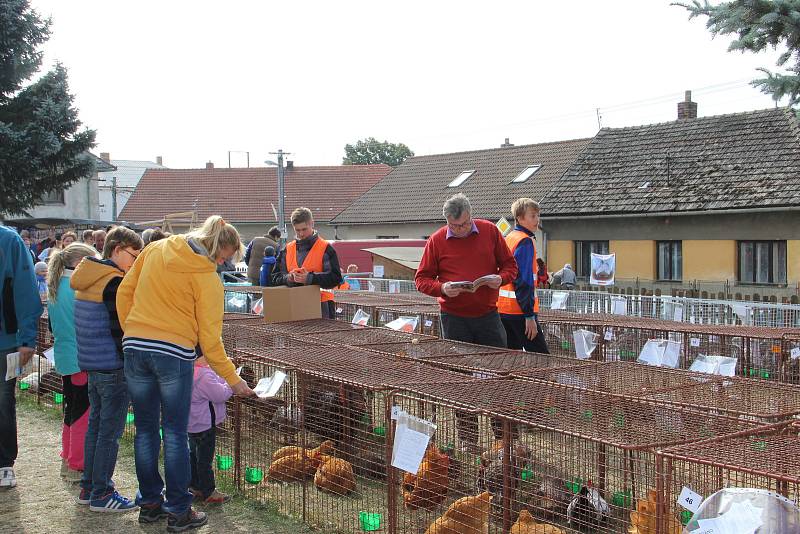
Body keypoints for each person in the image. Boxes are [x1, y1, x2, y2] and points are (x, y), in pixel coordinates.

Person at [117, 215, 255, 532]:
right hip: (173, 353)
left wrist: (132, 331)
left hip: (135, 348)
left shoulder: (155, 249)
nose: (223, 264)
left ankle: (150, 503)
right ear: (218, 250)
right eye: (224, 258)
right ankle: (179, 510)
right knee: (176, 433)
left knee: (147, 431)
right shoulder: (207, 279)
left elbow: (125, 292)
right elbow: (210, 340)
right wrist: (234, 381)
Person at [72, 226, 143, 512]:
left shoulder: (88, 277)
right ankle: (102, 492)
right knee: (109, 433)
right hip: (113, 365)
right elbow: (121, 328)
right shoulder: (114, 282)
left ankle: (89, 486)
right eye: (133, 255)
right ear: (117, 249)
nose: (134, 263)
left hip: (92, 363)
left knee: (96, 427)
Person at [415, 193, 518, 347]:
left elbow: (511, 266)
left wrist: (501, 278)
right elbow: (421, 280)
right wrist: (442, 288)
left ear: (471, 216)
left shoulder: (490, 231)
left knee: (497, 363)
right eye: (454, 226)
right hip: (453, 318)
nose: (461, 229)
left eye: (465, 224)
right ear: (447, 221)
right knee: (459, 367)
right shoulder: (436, 240)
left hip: (488, 315)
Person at [46, 243, 98, 482]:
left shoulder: (57, 287)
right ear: (80, 264)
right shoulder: (77, 290)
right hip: (82, 358)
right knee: (82, 412)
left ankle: (68, 454)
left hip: (65, 357)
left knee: (71, 408)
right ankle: (78, 462)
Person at [0, 226, 43, 489]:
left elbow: (25, 289)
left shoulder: (9, 240)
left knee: (3, 401)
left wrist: (27, 339)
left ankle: (4, 462)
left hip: (5, 340)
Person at [498, 198, 550, 354]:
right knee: (540, 357)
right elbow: (523, 280)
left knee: (511, 357)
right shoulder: (525, 242)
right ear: (520, 218)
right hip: (520, 311)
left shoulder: (509, 238)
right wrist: (529, 316)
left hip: (503, 310)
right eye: (532, 216)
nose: (537, 220)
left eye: (537, 215)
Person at [272, 208, 343, 318]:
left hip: (322, 308)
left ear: (312, 224)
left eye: (304, 229)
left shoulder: (325, 248)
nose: (301, 234)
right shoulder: (287, 250)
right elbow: (275, 277)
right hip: (293, 305)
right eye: (297, 230)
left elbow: (335, 278)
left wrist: (310, 278)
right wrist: (289, 278)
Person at [188, 356, 232, 504]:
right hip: (205, 425)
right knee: (204, 460)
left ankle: (194, 486)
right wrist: (231, 380)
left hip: (191, 423)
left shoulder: (189, 370)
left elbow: (214, 385)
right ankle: (209, 491)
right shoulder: (204, 376)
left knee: (193, 455)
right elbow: (221, 395)